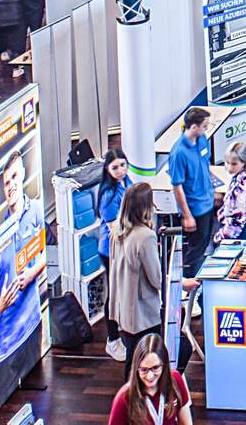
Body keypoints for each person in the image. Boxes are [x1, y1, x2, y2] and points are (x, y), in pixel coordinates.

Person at [0, 150, 48, 394]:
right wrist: (0, 305)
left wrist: (31, 274)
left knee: (38, 398)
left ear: (23, 175)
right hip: (8, 345)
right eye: (6, 182)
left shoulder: (36, 210)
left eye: (14, 177)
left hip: (34, 326)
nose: (11, 186)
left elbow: (48, 253)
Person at [108, 184, 164, 372]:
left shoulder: (117, 231)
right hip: (143, 313)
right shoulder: (146, 237)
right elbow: (157, 279)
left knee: (132, 361)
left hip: (123, 310)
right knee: (145, 362)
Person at [166, 107, 216, 278]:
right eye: (204, 126)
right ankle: (187, 282)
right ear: (194, 127)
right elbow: (177, 186)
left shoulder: (202, 140)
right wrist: (187, 216)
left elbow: (206, 165)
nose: (206, 129)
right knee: (194, 251)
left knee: (204, 244)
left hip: (208, 201)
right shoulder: (178, 153)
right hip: (195, 208)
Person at [96, 147, 133, 361]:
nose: (120, 170)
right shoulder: (108, 194)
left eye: (123, 165)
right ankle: (112, 340)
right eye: (115, 167)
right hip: (111, 250)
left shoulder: (126, 182)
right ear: (107, 169)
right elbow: (114, 228)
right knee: (114, 295)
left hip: (124, 247)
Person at [107, 333, 194, 425]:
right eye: (144, 370)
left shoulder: (175, 380)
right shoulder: (124, 398)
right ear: (136, 368)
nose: (150, 376)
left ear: (164, 364)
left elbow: (186, 422)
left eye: (155, 368)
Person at [215, 141, 246, 241]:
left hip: (236, 233)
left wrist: (219, 237)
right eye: (227, 163)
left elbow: (236, 222)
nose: (229, 167)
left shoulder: (242, 187)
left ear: (244, 162)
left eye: (234, 164)